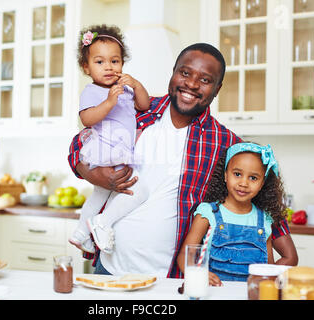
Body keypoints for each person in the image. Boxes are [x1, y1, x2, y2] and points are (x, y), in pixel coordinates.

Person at [68, 43, 297, 278]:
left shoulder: (223, 142)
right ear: (174, 73)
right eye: (185, 73)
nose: (191, 84)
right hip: (109, 267)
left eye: (205, 80)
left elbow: (260, 194)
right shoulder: (136, 110)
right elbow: (80, 144)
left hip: (171, 277)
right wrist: (95, 175)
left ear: (217, 89)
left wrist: (283, 245)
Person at [68, 24, 150, 255]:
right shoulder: (92, 91)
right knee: (139, 191)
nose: (108, 67)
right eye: (100, 62)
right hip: (106, 148)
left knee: (100, 194)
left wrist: (136, 85)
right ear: (86, 67)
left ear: (122, 64)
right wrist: (109, 103)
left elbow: (143, 105)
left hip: (119, 147)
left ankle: (80, 234)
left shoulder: (124, 88)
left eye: (114, 61)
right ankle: (102, 222)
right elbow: (87, 118)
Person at [177, 142, 296, 285]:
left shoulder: (265, 219)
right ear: (226, 175)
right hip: (216, 293)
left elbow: (268, 269)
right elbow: (185, 255)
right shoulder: (208, 212)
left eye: (253, 178)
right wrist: (198, 273)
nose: (244, 183)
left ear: (262, 183)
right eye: (237, 174)